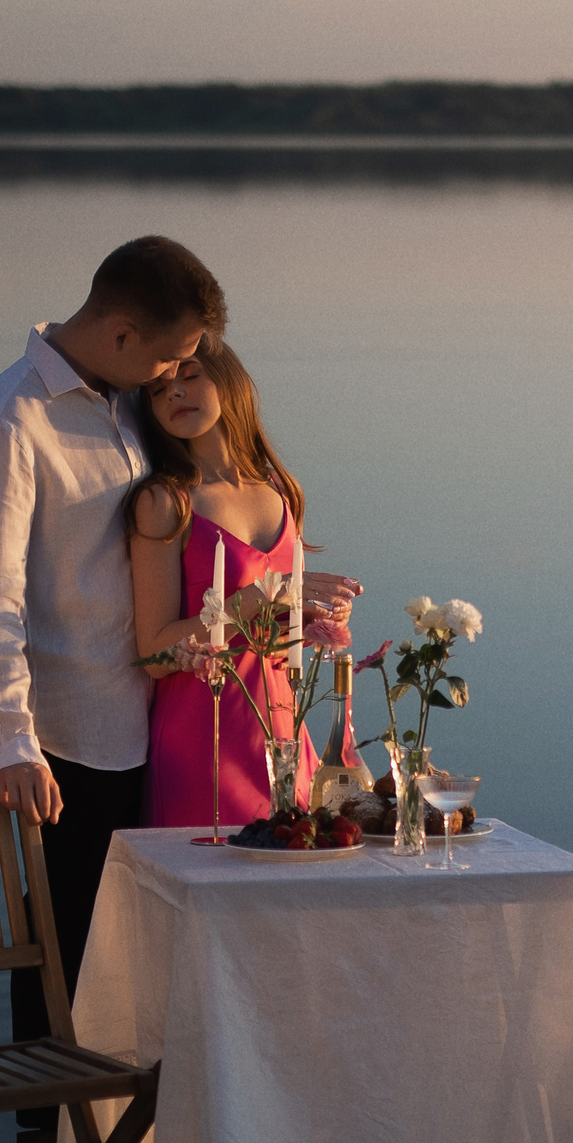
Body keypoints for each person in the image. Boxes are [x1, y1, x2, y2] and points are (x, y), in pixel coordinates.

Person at [0, 235, 223, 1078]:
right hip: (67, 747)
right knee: (61, 970)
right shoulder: (12, 423)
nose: (174, 376)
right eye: (170, 357)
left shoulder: (127, 404)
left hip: (149, 734)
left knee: (134, 973)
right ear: (121, 332)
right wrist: (10, 742)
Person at [127, 340, 360, 827]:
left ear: (228, 379)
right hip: (204, 743)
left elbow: (273, 635)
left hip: (285, 737)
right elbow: (155, 652)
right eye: (157, 390)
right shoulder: (164, 502)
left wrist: (316, 619)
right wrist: (263, 594)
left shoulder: (280, 490)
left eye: (189, 375)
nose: (174, 393)